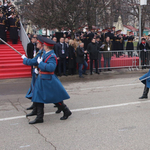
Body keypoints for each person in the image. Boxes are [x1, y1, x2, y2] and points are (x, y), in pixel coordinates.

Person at [22, 37, 72, 124]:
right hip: (42, 78)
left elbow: (51, 67)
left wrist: (40, 63)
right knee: (38, 97)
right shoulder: (46, 54)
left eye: (44, 45)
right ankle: (39, 117)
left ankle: (66, 110)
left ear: (47, 46)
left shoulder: (51, 56)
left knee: (55, 97)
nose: (43, 46)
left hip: (48, 79)